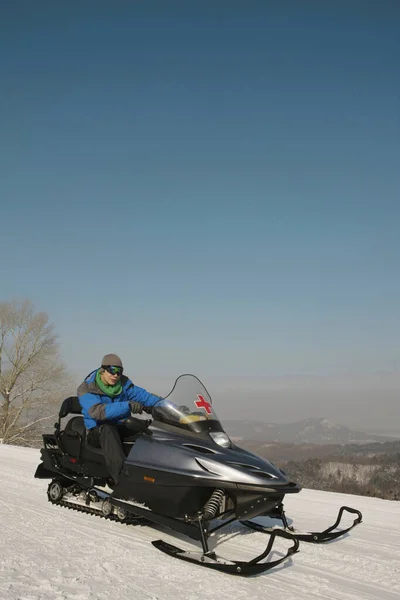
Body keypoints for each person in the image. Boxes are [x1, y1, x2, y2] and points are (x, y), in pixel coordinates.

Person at [77, 353, 162, 486]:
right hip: (97, 431)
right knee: (108, 430)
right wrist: (127, 405)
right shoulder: (87, 388)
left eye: (119, 371)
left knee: (149, 427)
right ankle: (122, 482)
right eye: (112, 370)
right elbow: (98, 412)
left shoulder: (124, 385)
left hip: (121, 426)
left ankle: (160, 473)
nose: (116, 375)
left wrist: (171, 408)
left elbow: (147, 397)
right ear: (103, 370)